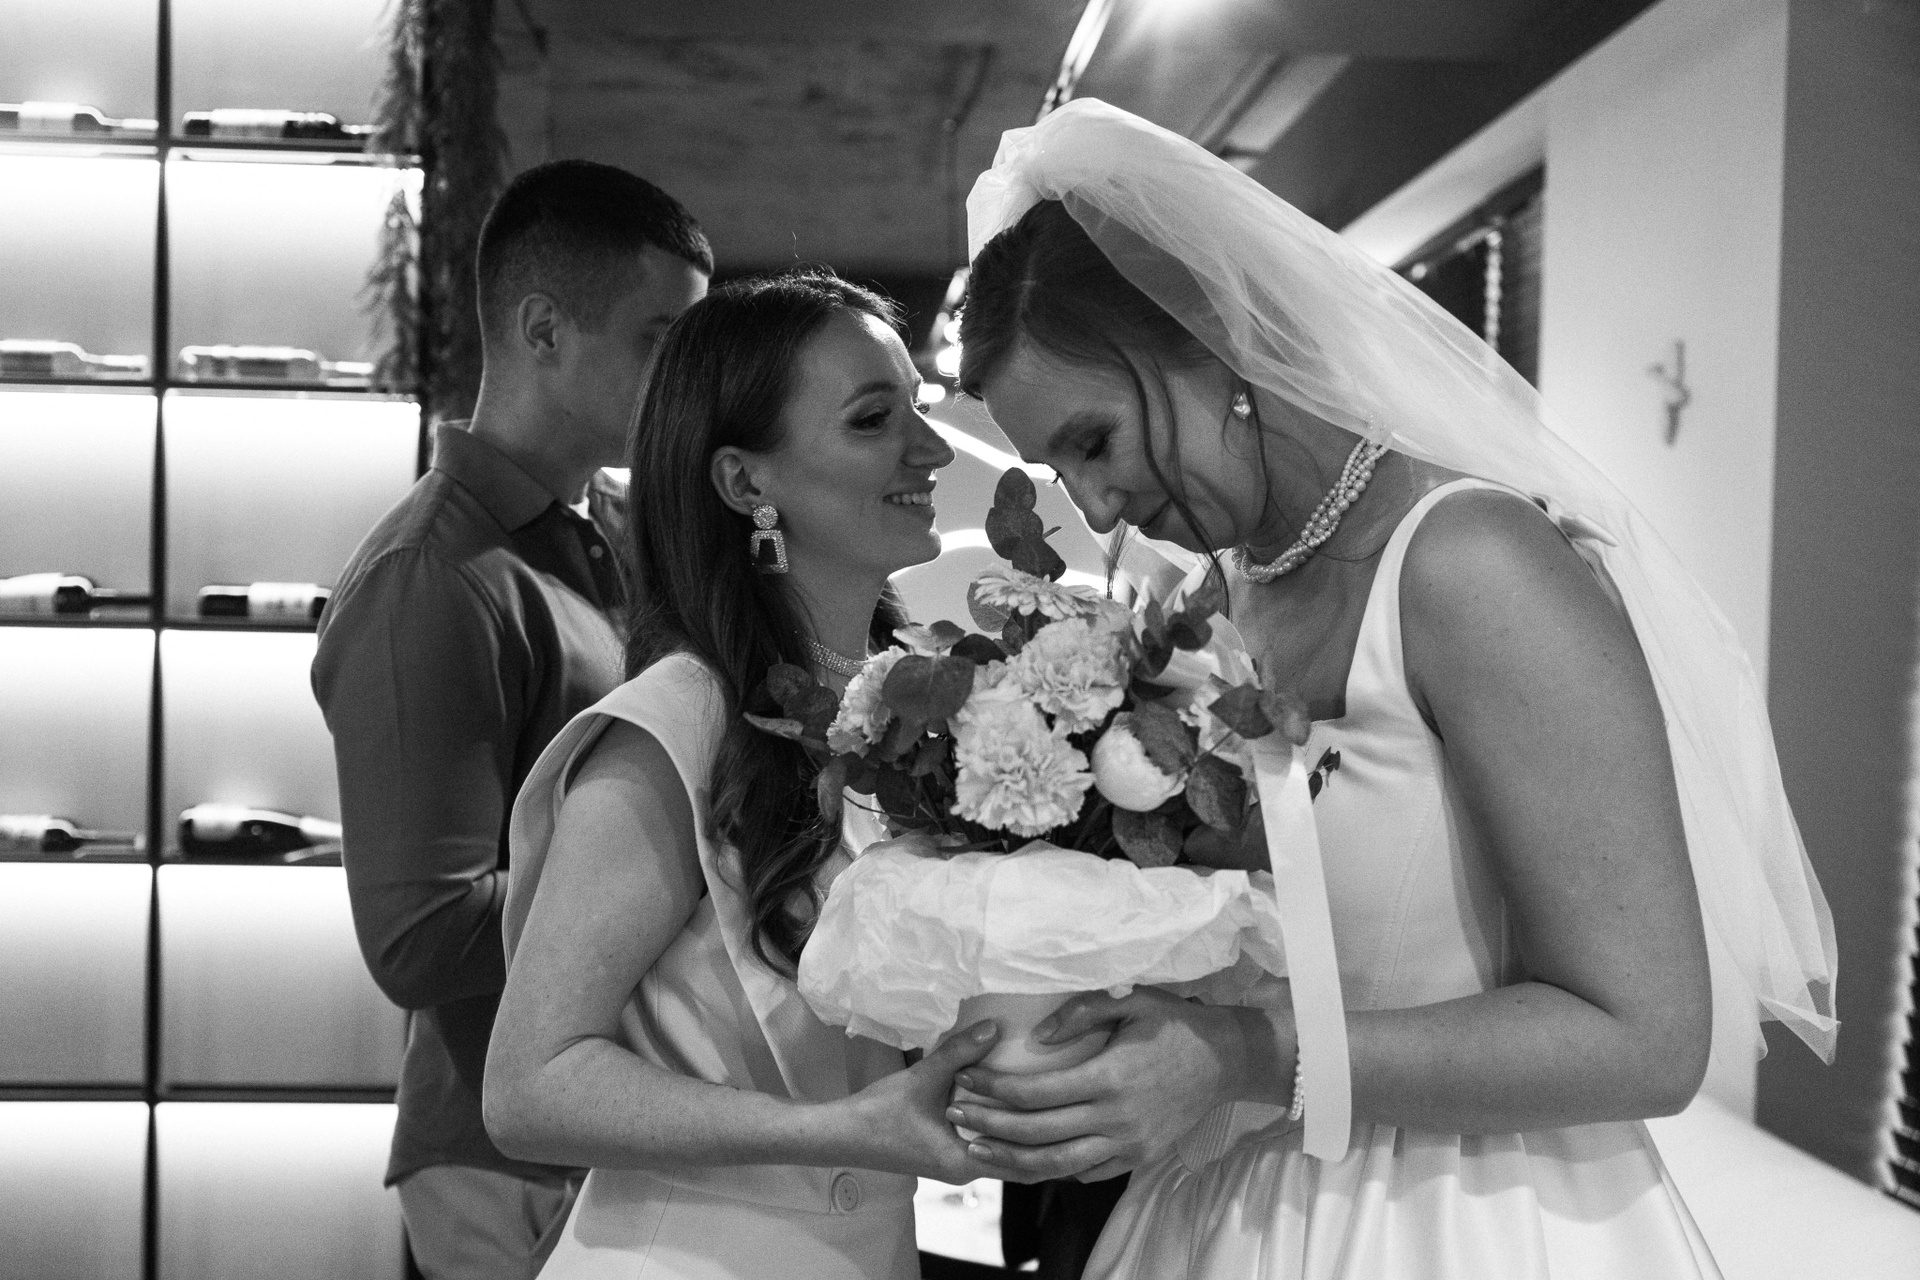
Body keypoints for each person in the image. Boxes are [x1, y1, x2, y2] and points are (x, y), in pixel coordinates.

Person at [945, 100, 1837, 1279]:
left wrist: (1243, 1053)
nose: (1097, 507)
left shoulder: (1471, 563)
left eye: (1095, 440)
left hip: (1467, 1216)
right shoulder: (1218, 597)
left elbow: (1648, 1036)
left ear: (1209, 337)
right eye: (1059, 470)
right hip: (1231, 1205)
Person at [482, 269, 1009, 1279]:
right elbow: (529, 1086)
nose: (933, 449)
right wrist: (841, 1130)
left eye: (919, 408)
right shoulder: (676, 723)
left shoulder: (922, 707)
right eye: (873, 419)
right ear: (745, 483)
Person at [311, 159, 710, 1279]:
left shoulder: (612, 530)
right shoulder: (429, 577)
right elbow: (420, 932)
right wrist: (683, 876)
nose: (685, 379)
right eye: (659, 339)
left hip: (618, 1119)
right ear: (543, 329)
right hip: (510, 1158)